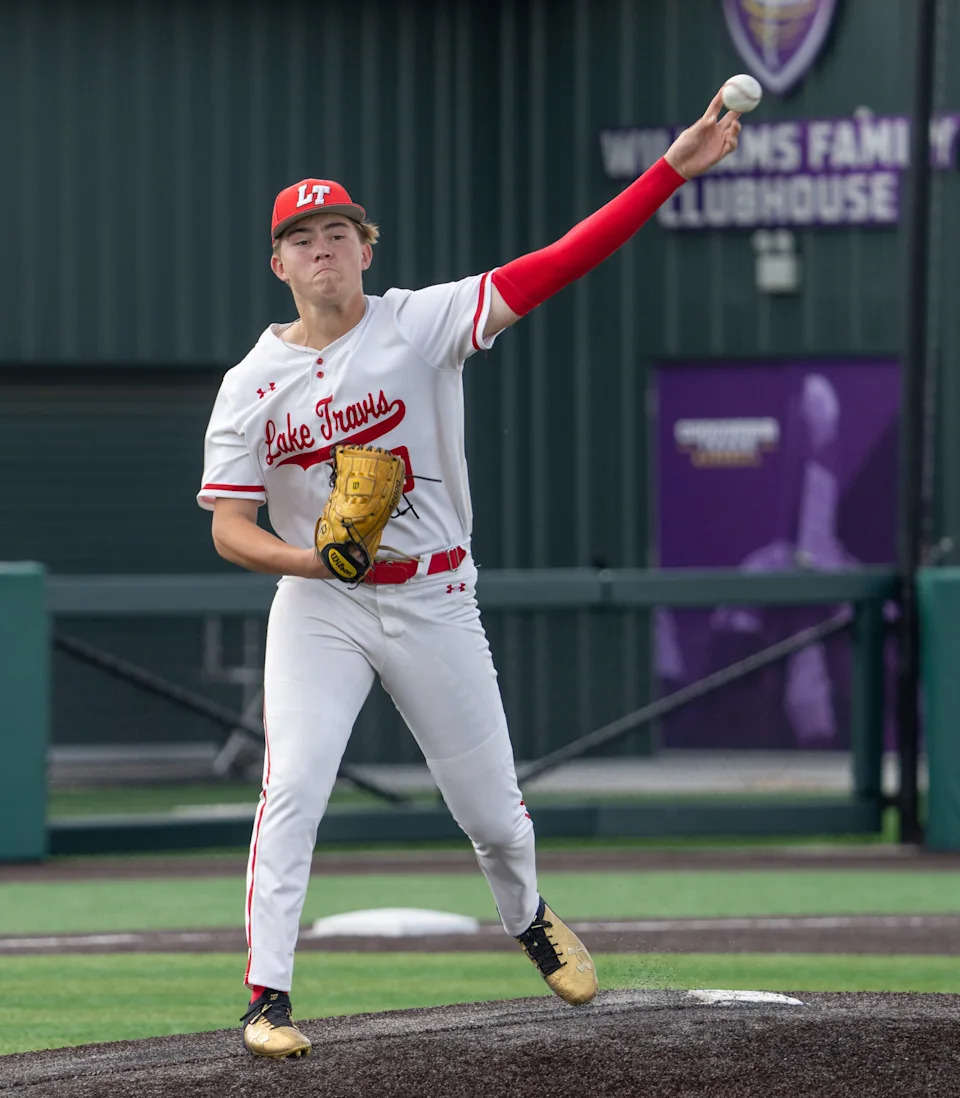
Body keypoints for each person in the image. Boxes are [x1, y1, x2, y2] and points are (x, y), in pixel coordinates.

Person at [197, 87, 741, 1060]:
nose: (323, 248)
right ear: (277, 263)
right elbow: (231, 529)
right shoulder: (250, 384)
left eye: (339, 231)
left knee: (490, 811)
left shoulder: (424, 322)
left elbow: (559, 263)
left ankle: (529, 917)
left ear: (370, 246)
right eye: (304, 237)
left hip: (435, 594)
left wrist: (669, 173)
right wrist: (309, 557)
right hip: (319, 603)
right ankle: (266, 997)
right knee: (295, 787)